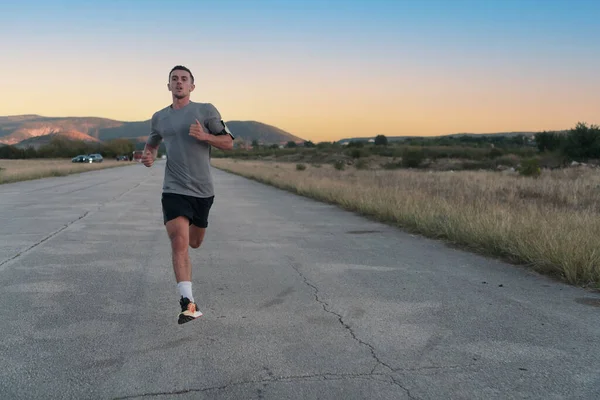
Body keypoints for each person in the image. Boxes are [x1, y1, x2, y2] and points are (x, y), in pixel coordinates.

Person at [142, 65, 235, 324]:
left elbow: (228, 143)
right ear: (168, 85)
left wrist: (205, 135)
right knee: (178, 241)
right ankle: (188, 303)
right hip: (173, 189)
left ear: (192, 86)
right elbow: (152, 142)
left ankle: (188, 299)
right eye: (175, 79)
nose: (179, 83)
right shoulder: (159, 117)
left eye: (184, 79)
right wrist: (148, 155)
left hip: (202, 192)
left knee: (194, 242)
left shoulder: (206, 110)